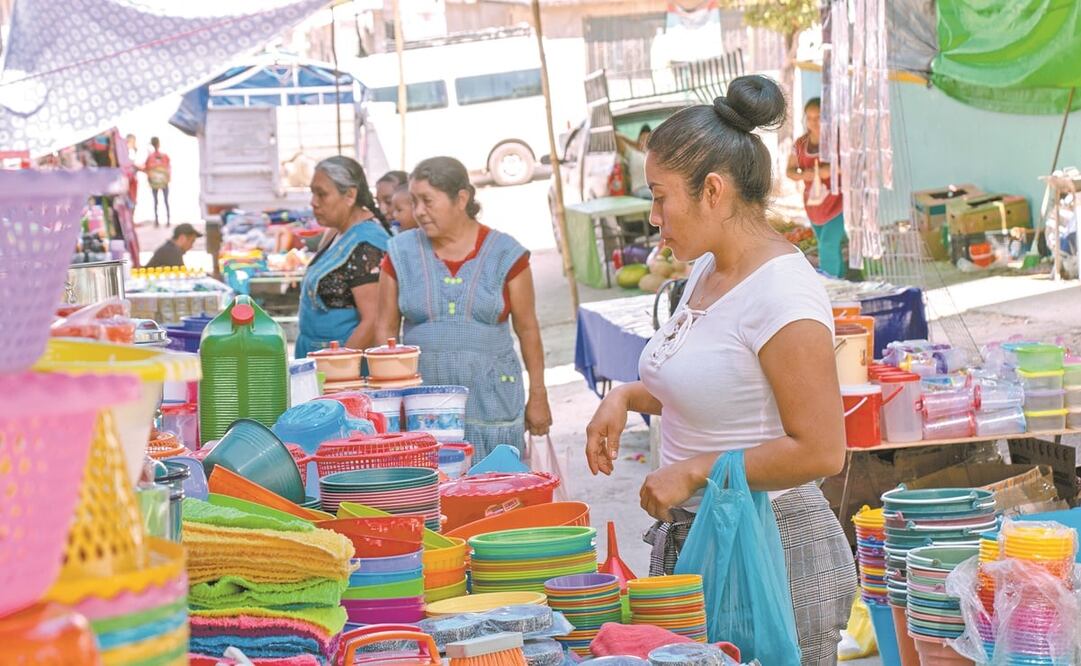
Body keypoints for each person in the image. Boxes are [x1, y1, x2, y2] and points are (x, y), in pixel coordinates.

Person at [584, 76, 856, 664]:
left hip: (773, 548)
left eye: (661, 196)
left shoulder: (781, 291)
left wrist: (694, 472)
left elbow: (821, 450)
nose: (654, 216)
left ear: (712, 190)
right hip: (709, 536)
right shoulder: (708, 270)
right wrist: (628, 396)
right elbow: (715, 387)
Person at [376, 156, 552, 458]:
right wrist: (386, 398)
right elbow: (385, 328)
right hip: (422, 410)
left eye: (428, 201)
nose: (418, 212)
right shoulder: (400, 254)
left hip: (491, 404)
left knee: (499, 491)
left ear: (461, 199)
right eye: (414, 201)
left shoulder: (506, 255)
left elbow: (528, 329)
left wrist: (538, 394)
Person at [296, 156, 391, 359]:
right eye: (313, 193)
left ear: (349, 195)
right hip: (320, 358)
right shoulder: (336, 231)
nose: (314, 202)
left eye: (322, 194)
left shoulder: (368, 244)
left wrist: (339, 366)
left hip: (342, 369)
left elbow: (373, 320)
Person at [786, 97, 846, 278]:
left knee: (827, 244)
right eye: (810, 118)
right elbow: (789, 171)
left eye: (819, 117)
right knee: (827, 244)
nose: (814, 122)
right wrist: (803, 175)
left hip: (838, 203)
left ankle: (829, 287)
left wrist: (832, 169)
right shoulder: (800, 144)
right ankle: (842, 278)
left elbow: (853, 165)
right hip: (814, 204)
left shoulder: (838, 140)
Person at [617, 124, 653, 199]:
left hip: (652, 190)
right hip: (639, 190)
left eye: (647, 139)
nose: (644, 142)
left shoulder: (654, 154)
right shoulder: (632, 153)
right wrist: (635, 144)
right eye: (642, 139)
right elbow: (617, 136)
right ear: (638, 139)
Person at [144, 136, 172, 227]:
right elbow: (168, 168)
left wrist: (149, 179)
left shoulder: (150, 157)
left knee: (156, 201)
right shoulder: (164, 156)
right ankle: (167, 220)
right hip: (163, 182)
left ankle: (157, 221)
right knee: (165, 201)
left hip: (155, 182)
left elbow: (146, 169)